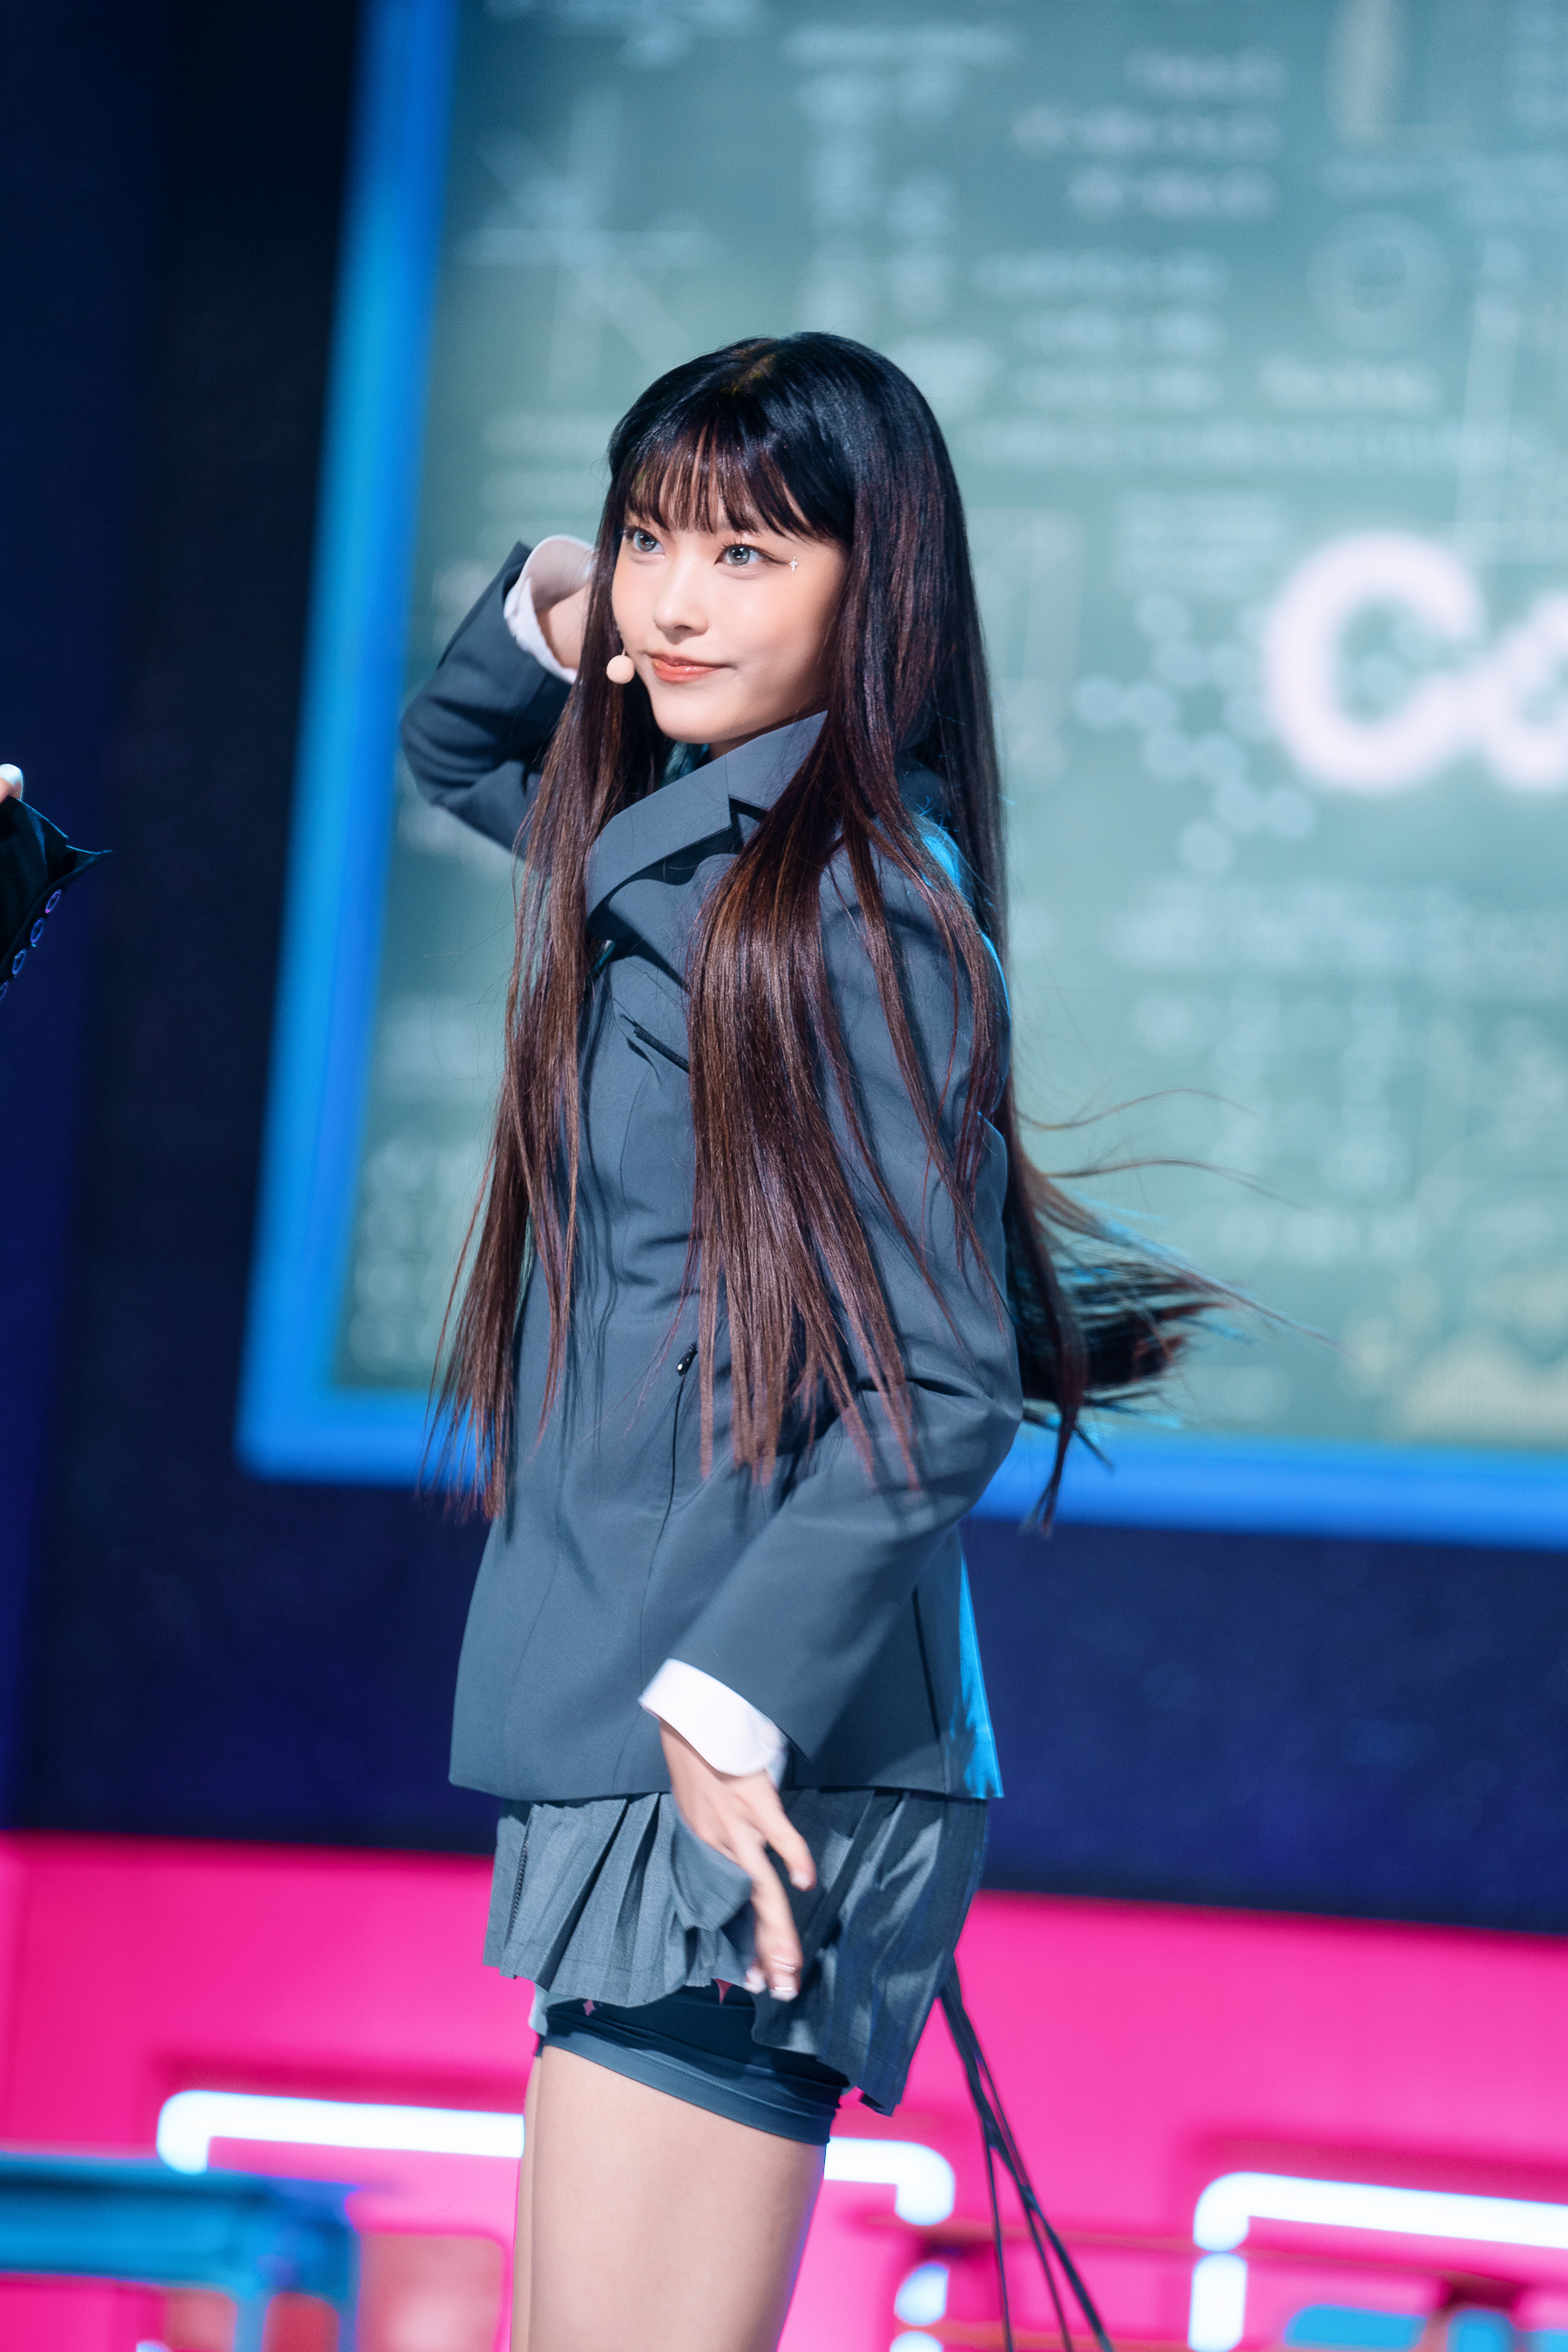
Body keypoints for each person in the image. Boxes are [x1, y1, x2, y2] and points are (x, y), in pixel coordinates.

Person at [401, 334, 1208, 2352]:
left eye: (747, 554)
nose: (678, 600)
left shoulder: (853, 908)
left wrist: (728, 1701)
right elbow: (457, 749)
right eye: (653, 540)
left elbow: (942, 1377)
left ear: (879, 587)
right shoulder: (695, 852)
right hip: (654, 1715)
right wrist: (572, 589)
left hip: (742, 1748)